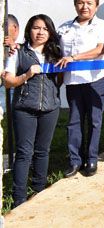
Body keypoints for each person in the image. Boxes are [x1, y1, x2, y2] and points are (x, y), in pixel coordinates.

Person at [2, 15, 62, 207]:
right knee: (24, 153)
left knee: (43, 151)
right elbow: (9, 81)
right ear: (29, 30)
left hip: (50, 108)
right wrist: (27, 74)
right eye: (36, 28)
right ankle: (19, 199)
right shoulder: (18, 52)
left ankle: (39, 193)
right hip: (24, 109)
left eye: (45, 28)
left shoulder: (57, 53)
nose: (40, 32)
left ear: (50, 32)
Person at [56, 0, 104, 178]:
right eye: (81, 2)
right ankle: (74, 161)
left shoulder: (102, 25)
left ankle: (92, 159)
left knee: (95, 120)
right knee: (74, 121)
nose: (84, 6)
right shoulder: (64, 28)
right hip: (73, 81)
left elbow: (101, 49)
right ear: (75, 5)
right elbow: (53, 50)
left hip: (97, 79)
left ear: (96, 6)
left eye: (89, 3)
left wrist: (75, 57)